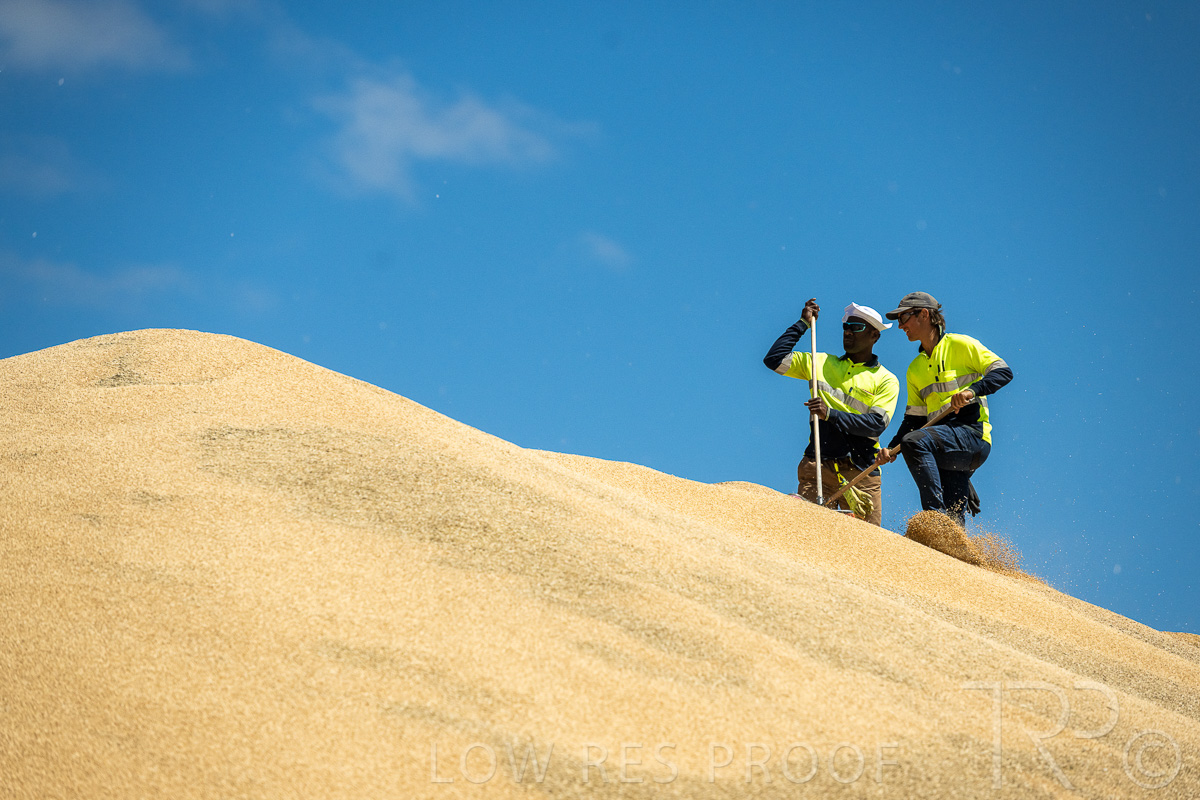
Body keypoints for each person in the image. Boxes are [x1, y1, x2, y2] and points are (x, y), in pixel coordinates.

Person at [875, 291, 1013, 525]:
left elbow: (1003, 372)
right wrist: (891, 448)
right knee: (954, 517)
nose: (900, 326)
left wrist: (972, 391)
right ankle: (952, 540)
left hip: (973, 436)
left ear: (924, 314)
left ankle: (934, 520)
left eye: (904, 317)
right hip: (944, 445)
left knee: (914, 443)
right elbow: (914, 420)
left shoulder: (961, 344)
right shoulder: (915, 369)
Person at [763, 299, 899, 525]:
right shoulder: (820, 362)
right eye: (846, 326)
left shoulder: (886, 379)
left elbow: (876, 424)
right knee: (807, 531)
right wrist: (803, 324)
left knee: (865, 541)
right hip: (818, 465)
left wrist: (830, 414)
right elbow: (774, 359)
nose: (848, 332)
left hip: (861, 472)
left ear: (875, 336)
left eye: (856, 327)